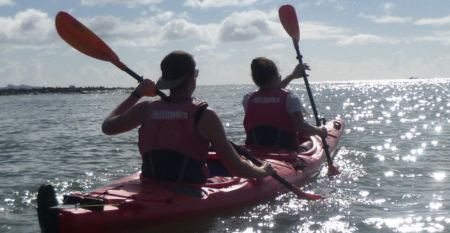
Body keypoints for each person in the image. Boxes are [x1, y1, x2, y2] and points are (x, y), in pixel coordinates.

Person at [102, 50, 274, 184]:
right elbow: (237, 168)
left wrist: (138, 93)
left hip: (150, 184)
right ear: (192, 77)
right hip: (189, 190)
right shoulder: (205, 115)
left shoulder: (146, 108)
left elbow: (108, 127)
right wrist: (263, 171)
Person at [242, 57, 328, 151]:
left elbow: (269, 89)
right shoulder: (290, 98)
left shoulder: (248, 99)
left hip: (256, 153)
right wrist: (320, 131)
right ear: (275, 76)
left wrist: (292, 76)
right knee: (309, 143)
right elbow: (301, 128)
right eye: (278, 75)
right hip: (286, 154)